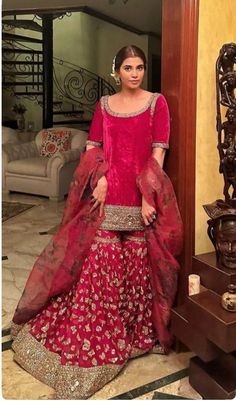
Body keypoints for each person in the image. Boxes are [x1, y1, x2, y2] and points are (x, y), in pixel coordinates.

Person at [10, 45, 183, 399]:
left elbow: (158, 152)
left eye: (139, 68)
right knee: (99, 268)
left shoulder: (156, 103)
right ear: (116, 71)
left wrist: (150, 196)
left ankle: (133, 335)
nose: (134, 74)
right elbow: (93, 148)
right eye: (128, 68)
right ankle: (98, 332)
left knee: (136, 266)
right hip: (106, 199)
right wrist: (99, 178)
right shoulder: (104, 105)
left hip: (138, 200)